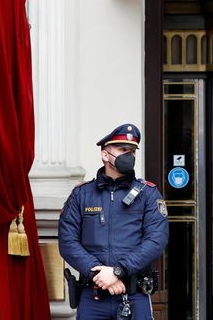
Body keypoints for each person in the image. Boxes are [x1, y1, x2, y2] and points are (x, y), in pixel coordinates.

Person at [59, 123, 169, 319]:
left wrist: (118, 271)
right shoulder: (81, 195)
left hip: (133, 295)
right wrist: (99, 275)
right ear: (105, 155)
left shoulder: (148, 194)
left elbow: (156, 241)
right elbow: (68, 242)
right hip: (93, 297)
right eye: (123, 150)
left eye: (132, 151)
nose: (129, 155)